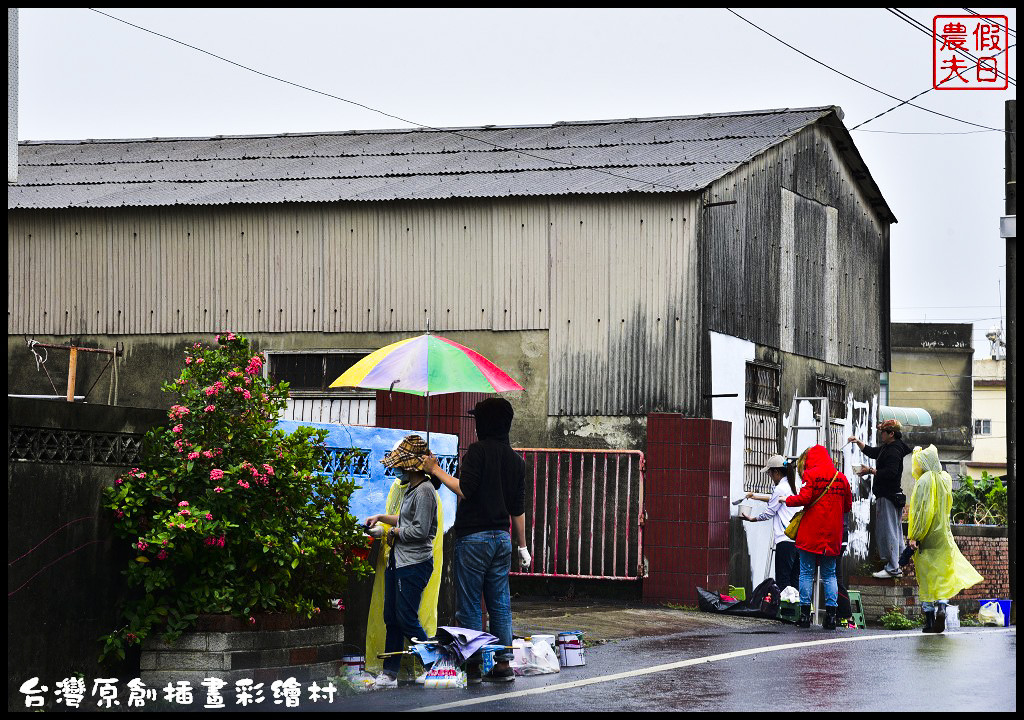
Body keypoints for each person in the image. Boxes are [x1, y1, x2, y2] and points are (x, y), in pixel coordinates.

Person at [422, 397, 530, 683]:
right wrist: (523, 546)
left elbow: (464, 489)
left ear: (485, 424)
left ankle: (473, 666)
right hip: (501, 539)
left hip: (473, 539)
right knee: (499, 603)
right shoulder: (516, 461)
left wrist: (435, 469)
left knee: (469, 604)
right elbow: (517, 508)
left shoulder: (477, 451)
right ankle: (503, 664)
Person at [364, 434, 441, 689]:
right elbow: (406, 519)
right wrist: (381, 517)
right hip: (399, 562)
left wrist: (389, 533)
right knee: (392, 618)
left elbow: (418, 531)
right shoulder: (413, 489)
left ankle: (436, 665)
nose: (395, 470)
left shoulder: (426, 491)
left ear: (410, 466)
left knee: (406, 617)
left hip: (414, 564)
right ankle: (390, 673)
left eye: (398, 465)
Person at [907, 444, 984, 633]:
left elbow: (920, 511)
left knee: (925, 577)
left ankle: (929, 620)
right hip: (943, 535)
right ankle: (942, 606)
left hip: (926, 535)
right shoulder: (946, 479)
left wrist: (914, 536)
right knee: (942, 575)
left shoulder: (923, 481)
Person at [782, 444, 853, 630]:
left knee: (806, 572)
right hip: (833, 533)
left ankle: (805, 615)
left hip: (811, 532)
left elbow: (804, 498)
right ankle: (831, 617)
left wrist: (786, 500)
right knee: (830, 574)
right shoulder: (841, 478)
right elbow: (847, 506)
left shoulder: (811, 475)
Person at [848, 418, 912, 579]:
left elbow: (890, 473)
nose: (881, 435)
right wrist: (858, 442)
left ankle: (892, 568)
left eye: (883, 432)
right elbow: (873, 452)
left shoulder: (894, 451)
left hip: (888, 496)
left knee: (889, 531)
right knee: (894, 531)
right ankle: (896, 565)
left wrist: (870, 470)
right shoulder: (889, 447)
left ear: (891, 434)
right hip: (890, 496)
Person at [741, 454, 800, 592]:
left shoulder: (780, 488)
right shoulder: (795, 486)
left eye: (769, 473)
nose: (770, 476)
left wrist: (752, 519)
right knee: (795, 579)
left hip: (785, 540)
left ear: (777, 472)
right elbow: (775, 499)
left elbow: (770, 512)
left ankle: (783, 612)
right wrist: (755, 496)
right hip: (798, 541)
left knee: (783, 579)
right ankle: (797, 611)